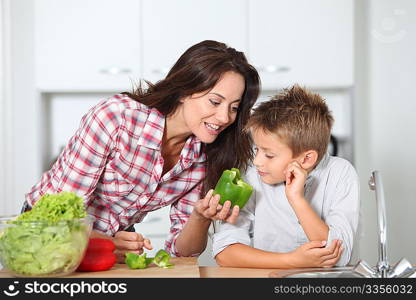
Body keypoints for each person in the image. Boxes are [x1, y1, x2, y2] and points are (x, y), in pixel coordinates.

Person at [24, 40, 260, 262]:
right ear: (184, 91)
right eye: (215, 102)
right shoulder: (116, 118)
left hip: (113, 242)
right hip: (44, 232)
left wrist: (200, 217)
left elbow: (184, 252)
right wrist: (106, 244)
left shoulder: (204, 157)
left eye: (234, 108)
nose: (224, 117)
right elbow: (61, 214)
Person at [213, 85, 360, 268]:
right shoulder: (252, 177)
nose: (257, 161)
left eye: (269, 154)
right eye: (256, 149)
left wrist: (296, 199)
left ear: (306, 158)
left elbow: (339, 256)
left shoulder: (341, 174)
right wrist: (291, 261)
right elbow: (224, 253)